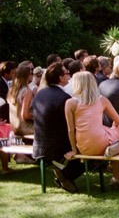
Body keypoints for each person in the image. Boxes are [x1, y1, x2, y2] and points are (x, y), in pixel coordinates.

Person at [64, 71, 119, 189]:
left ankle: (113, 145)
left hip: (82, 145)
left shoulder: (70, 103)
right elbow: (118, 120)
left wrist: (74, 150)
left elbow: (71, 130)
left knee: (113, 135)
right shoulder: (101, 100)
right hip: (101, 144)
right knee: (118, 134)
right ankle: (116, 177)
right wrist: (114, 127)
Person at [32, 62, 84, 193]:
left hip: (38, 143)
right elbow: (70, 124)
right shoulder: (64, 98)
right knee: (88, 151)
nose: (68, 75)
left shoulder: (39, 94)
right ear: (61, 78)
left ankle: (60, 171)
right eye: (66, 73)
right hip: (56, 146)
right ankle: (64, 175)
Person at [7, 64, 35, 137]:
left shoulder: (11, 90)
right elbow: (25, 115)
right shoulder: (26, 92)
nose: (32, 75)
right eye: (31, 73)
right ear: (27, 76)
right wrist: (36, 116)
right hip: (25, 127)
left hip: (13, 126)